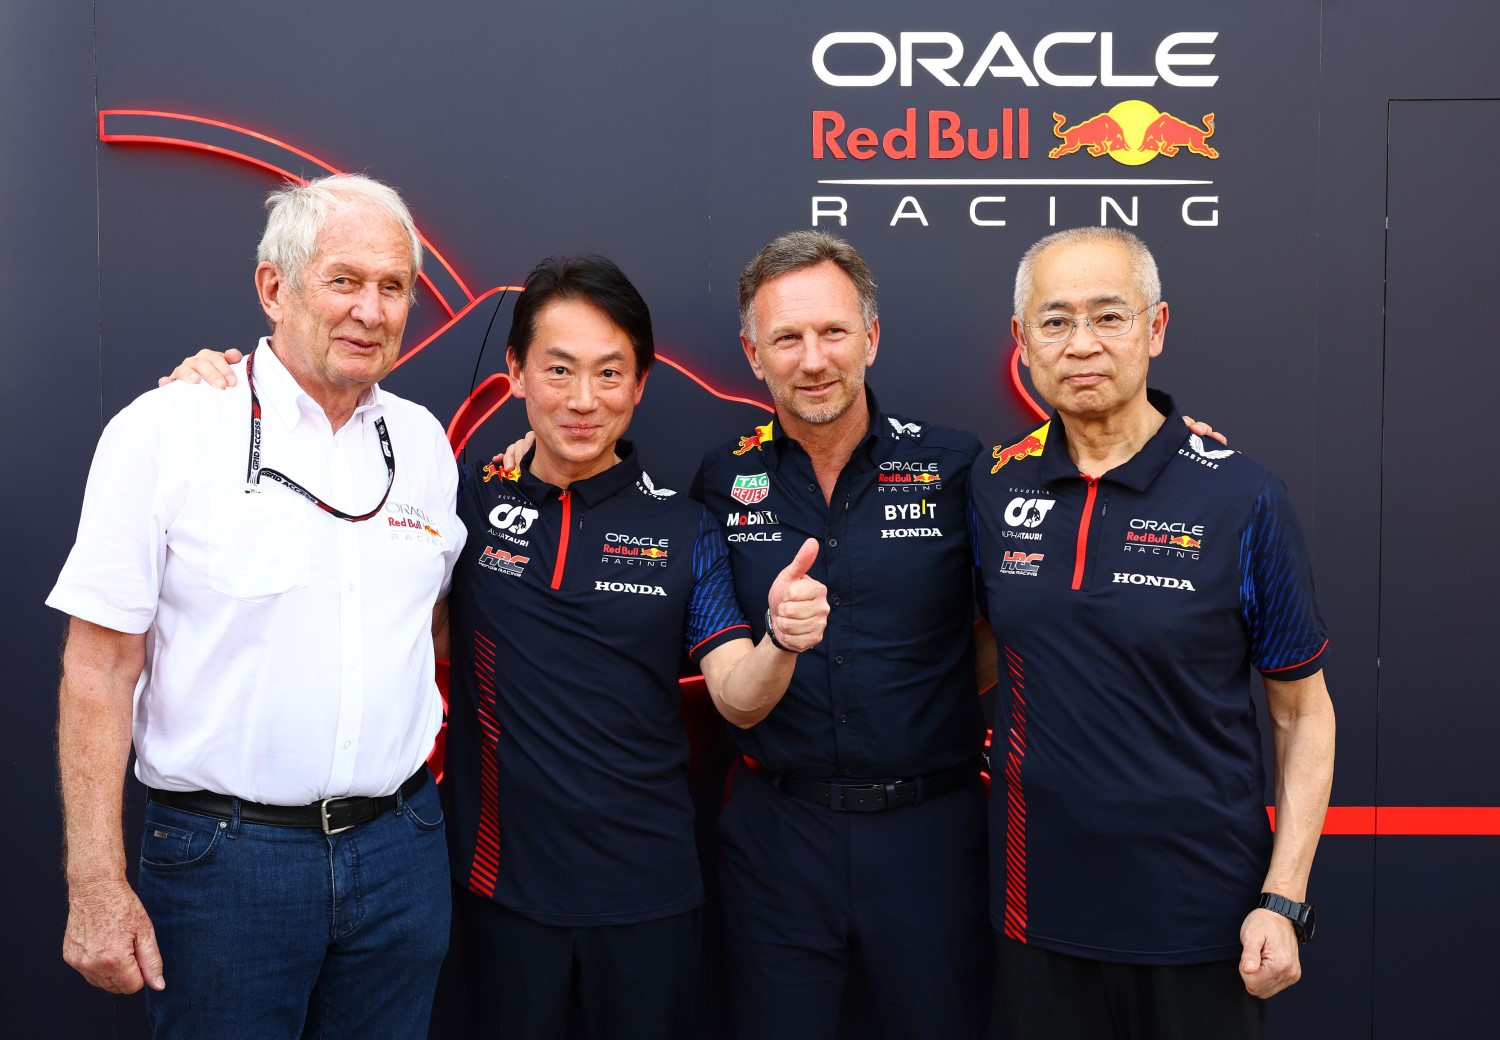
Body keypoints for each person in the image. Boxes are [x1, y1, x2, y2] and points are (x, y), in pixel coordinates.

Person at [164, 254, 831, 1040]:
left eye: (610, 373)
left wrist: (783, 641)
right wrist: (221, 387)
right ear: (515, 373)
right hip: (498, 892)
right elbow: (340, 530)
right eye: (559, 370)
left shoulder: (684, 528)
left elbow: (737, 696)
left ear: (641, 383)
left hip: (651, 897)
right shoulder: (463, 497)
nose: (584, 400)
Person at [48, 173, 465, 1039]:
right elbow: (98, 665)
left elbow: (429, 625)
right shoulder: (166, 431)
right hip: (225, 868)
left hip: (401, 852)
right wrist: (94, 881)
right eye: (343, 280)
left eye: (393, 287)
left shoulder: (424, 444)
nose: (371, 310)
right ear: (274, 288)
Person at [969, 226, 1335, 1039]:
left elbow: (1303, 714)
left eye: (1110, 316)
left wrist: (1284, 899)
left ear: (1156, 329)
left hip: (1200, 923)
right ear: (1022, 341)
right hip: (1038, 916)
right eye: (1056, 321)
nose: (1083, 344)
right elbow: (975, 652)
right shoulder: (991, 489)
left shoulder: (1242, 497)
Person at [688, 231, 994, 1040]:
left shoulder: (960, 469)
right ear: (754, 355)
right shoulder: (721, 480)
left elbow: (1020, 614)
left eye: (833, 332)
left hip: (930, 836)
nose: (813, 359)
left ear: (872, 337)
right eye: (787, 338)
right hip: (778, 836)